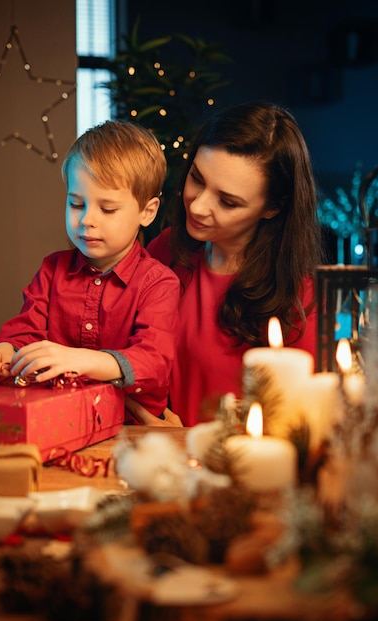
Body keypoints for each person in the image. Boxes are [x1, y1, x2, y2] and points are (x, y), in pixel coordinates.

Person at [129, 100, 323, 427]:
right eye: (197, 178)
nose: (199, 206)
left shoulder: (297, 302)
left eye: (228, 201)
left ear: (273, 207)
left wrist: (186, 442)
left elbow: (299, 432)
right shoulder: (166, 250)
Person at [0, 120, 181, 422]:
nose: (87, 219)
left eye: (107, 209)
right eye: (76, 204)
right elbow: (25, 330)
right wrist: (6, 351)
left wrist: (81, 360)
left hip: (132, 429)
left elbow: (153, 360)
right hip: (58, 421)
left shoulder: (159, 283)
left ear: (146, 212)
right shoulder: (52, 269)